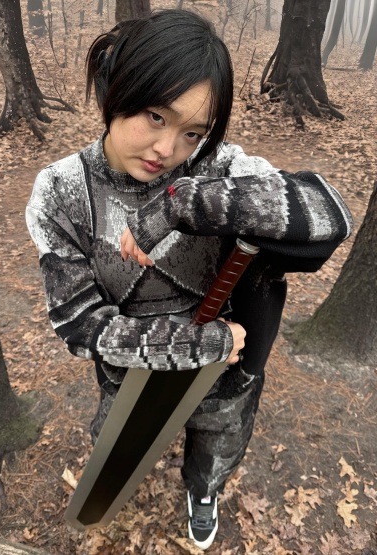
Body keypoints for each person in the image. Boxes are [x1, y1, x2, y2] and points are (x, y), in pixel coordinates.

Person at [26, 9, 353, 551]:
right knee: (118, 442)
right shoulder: (62, 191)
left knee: (219, 441)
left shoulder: (215, 168)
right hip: (131, 376)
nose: (167, 149)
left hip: (224, 375)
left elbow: (328, 214)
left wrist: (180, 205)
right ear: (117, 89)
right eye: (156, 116)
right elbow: (79, 324)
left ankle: (203, 490)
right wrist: (199, 343)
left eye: (192, 131)